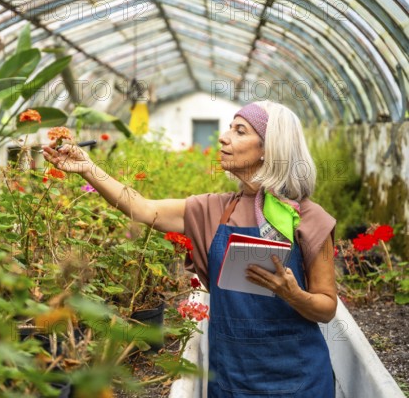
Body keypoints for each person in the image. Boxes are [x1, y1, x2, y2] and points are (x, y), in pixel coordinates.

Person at [42, 100, 337, 397]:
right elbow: (142, 208)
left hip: (298, 379)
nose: (224, 137)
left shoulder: (309, 219)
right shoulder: (211, 209)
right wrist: (87, 167)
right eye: (229, 128)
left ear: (268, 149)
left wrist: (294, 295)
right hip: (231, 378)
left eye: (239, 131)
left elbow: (326, 307)